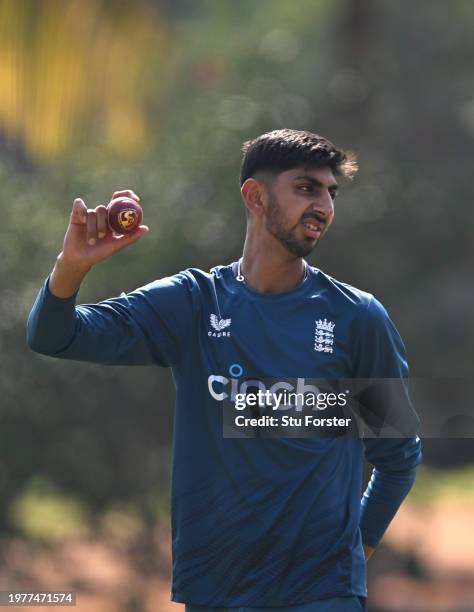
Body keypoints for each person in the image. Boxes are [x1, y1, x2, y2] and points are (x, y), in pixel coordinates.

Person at [27, 129, 422, 612]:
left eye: (330, 192)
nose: (324, 205)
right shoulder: (193, 302)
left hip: (321, 598)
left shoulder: (357, 318)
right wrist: (71, 267)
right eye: (306, 188)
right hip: (215, 595)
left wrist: (350, 556)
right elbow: (54, 336)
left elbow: (398, 456)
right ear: (255, 196)